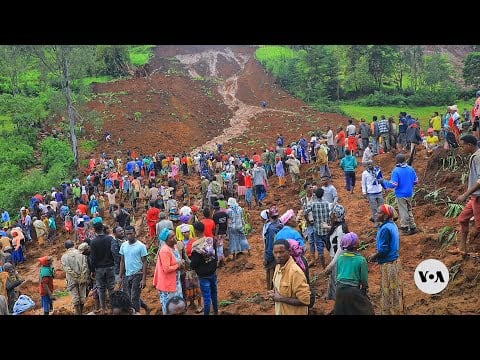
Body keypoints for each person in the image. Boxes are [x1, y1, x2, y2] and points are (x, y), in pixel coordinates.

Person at [368, 204, 405, 315]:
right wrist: (376, 218)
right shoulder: (391, 225)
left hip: (388, 263)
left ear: (385, 216)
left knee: (390, 290)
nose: (375, 214)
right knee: (396, 289)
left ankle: (391, 311)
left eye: (378, 212)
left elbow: (383, 250)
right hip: (395, 261)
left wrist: (374, 256)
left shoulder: (385, 229)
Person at [334, 232, 374, 315]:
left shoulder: (340, 258)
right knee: (367, 310)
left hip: (339, 290)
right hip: (353, 290)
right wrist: (364, 289)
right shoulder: (361, 260)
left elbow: (337, 274)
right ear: (356, 245)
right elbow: (364, 279)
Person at [269, 239, 311, 315]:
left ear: (289, 252)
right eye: (275, 252)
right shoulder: (278, 267)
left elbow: (305, 300)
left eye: (281, 252)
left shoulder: (295, 272)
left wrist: (280, 298)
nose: (278, 255)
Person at [455, 134, 480, 255]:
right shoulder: (474, 156)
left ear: (469, 145)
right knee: (463, 218)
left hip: (478, 197)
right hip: (474, 196)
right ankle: (462, 248)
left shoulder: (478, 157)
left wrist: (465, 194)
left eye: (463, 146)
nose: (462, 148)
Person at [382, 153, 418, 235]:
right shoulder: (410, 169)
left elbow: (393, 184)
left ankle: (404, 227)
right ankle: (413, 226)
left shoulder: (396, 170)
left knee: (403, 210)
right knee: (409, 209)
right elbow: (416, 181)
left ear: (397, 161)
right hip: (410, 193)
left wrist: (384, 182)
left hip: (401, 194)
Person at [153, 228, 185, 314]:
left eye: (174, 235)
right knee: (170, 308)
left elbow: (177, 260)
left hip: (175, 282)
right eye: (171, 237)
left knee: (177, 307)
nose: (174, 238)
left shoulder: (174, 247)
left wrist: (181, 263)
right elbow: (166, 269)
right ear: (166, 240)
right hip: (168, 284)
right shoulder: (165, 250)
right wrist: (179, 265)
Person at [190, 222, 218, 315]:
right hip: (213, 272)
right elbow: (215, 255)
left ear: (196, 231)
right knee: (214, 294)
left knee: (206, 298)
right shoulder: (210, 240)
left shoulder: (195, 246)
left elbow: (194, 263)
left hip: (203, 275)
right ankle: (216, 312)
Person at [119, 226, 148, 314]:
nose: (129, 236)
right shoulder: (123, 245)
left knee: (134, 297)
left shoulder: (141, 246)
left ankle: (136, 313)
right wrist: (120, 276)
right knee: (129, 296)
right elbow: (122, 261)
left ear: (135, 233)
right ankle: (146, 307)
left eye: (131, 233)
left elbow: (145, 262)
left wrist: (143, 279)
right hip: (127, 275)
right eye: (127, 234)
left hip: (138, 273)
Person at [61, 240, 89, 315]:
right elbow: (85, 265)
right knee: (83, 296)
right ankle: (82, 311)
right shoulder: (81, 253)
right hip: (82, 278)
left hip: (71, 279)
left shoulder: (64, 256)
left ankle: (78, 313)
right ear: (74, 245)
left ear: (65, 247)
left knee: (75, 297)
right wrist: (81, 276)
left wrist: (75, 276)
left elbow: (67, 269)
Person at [361, 160, 385, 227]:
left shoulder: (378, 170)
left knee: (381, 208)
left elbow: (382, 178)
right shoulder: (365, 173)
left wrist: (382, 184)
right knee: (374, 208)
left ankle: (382, 221)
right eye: (368, 164)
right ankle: (376, 222)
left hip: (379, 191)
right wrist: (364, 192)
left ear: (373, 164)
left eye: (371, 164)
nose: (370, 165)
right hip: (371, 193)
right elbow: (363, 183)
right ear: (366, 165)